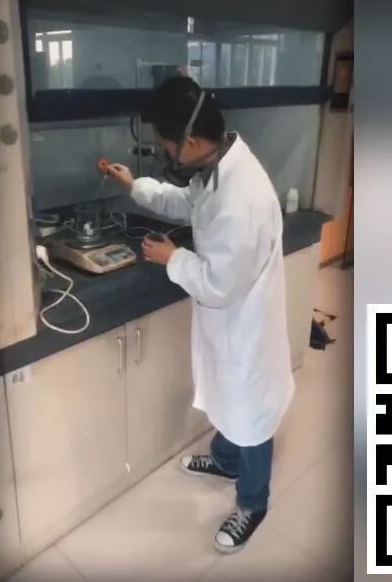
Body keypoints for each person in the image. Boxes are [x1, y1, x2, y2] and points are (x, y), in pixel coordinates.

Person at [105, 75, 294, 554]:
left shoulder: (241, 198)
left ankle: (253, 502)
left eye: (164, 144)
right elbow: (186, 202)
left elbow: (218, 285)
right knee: (230, 396)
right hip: (229, 323)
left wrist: (174, 258)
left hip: (244, 326)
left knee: (251, 415)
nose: (164, 152)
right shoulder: (218, 165)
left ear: (188, 141)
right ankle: (225, 460)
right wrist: (135, 186)